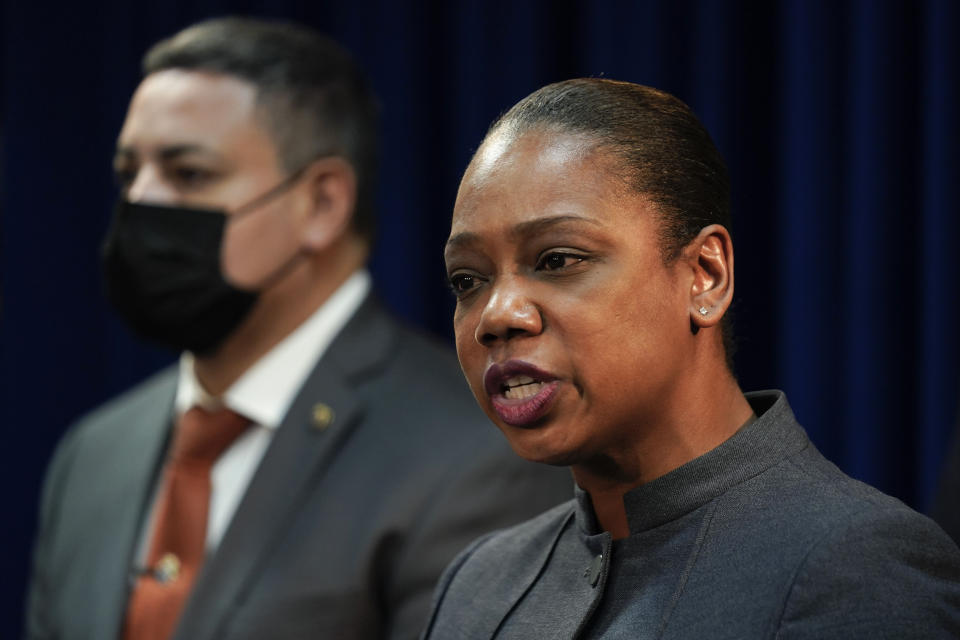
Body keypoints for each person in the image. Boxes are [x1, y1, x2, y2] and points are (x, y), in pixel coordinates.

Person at [24, 17, 571, 640]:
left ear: (322, 204)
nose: (142, 203)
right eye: (130, 174)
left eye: (189, 173)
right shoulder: (93, 454)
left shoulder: (477, 452)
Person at [423, 78, 960, 638]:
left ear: (706, 275)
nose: (496, 316)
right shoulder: (479, 586)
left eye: (558, 260)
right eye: (468, 280)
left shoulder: (856, 568)